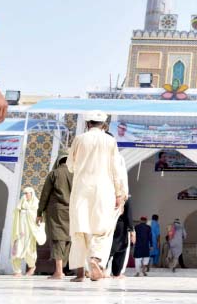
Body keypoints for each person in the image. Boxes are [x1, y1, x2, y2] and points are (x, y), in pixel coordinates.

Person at [67, 110, 127, 281]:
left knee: (81, 229)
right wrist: (119, 194)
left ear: (87, 124)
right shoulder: (110, 141)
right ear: (104, 125)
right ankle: (96, 259)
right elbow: (116, 169)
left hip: (82, 189)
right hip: (104, 189)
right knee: (103, 229)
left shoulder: (79, 139)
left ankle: (81, 272)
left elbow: (70, 166)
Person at [37, 150, 73, 280]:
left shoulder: (54, 174)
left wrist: (39, 212)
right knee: (68, 239)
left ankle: (58, 272)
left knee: (58, 239)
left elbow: (45, 195)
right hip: (73, 211)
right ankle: (62, 268)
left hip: (56, 211)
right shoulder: (76, 174)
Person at [11, 187, 43, 276]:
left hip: (29, 232)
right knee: (16, 249)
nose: (25, 195)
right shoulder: (21, 203)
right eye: (24, 193)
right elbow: (16, 214)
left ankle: (32, 267)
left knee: (29, 250)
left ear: (31, 193)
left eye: (27, 193)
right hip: (20, 232)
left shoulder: (36, 204)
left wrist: (29, 212)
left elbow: (39, 218)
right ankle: (17, 271)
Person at [108, 198, 134, 278]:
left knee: (107, 247)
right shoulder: (125, 198)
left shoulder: (108, 195)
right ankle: (116, 272)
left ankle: (102, 269)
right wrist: (131, 230)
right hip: (120, 225)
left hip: (107, 224)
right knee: (121, 248)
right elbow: (128, 215)